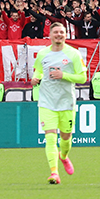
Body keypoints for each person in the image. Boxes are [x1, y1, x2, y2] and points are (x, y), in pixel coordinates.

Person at [32, 23, 87, 184]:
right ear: (50, 35)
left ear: (66, 35)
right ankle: (54, 173)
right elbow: (38, 70)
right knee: (50, 137)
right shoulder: (42, 54)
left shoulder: (73, 54)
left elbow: (82, 78)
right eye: (55, 32)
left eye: (61, 32)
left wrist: (63, 75)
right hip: (46, 102)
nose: (59, 35)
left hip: (66, 102)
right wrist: (36, 77)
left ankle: (63, 156)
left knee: (66, 136)